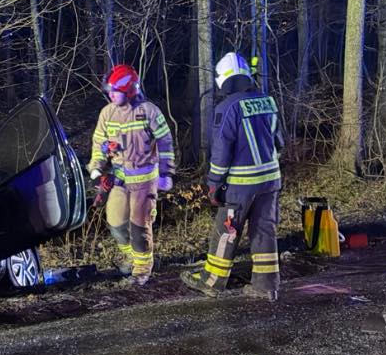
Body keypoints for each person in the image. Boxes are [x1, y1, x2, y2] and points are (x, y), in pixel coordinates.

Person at [181, 52, 283, 301]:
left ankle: (212, 282)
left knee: (227, 230)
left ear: (223, 79)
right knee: (264, 229)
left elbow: (222, 150)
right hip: (271, 180)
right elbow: (280, 142)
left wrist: (214, 184)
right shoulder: (267, 101)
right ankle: (266, 285)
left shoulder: (226, 108)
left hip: (240, 185)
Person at [88, 64, 174, 285]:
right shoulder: (107, 113)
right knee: (116, 223)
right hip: (119, 180)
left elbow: (165, 142)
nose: (110, 94)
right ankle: (131, 258)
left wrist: (166, 173)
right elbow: (99, 141)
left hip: (145, 181)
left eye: (114, 90)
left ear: (129, 89)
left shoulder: (149, 111)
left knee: (139, 227)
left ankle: (142, 270)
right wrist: (97, 165)